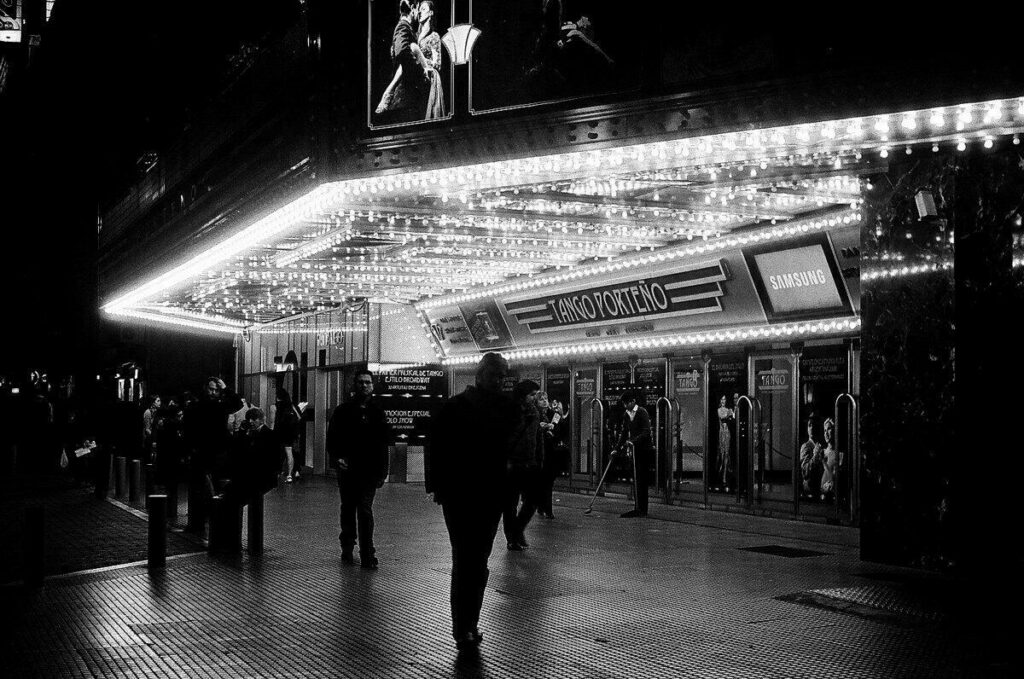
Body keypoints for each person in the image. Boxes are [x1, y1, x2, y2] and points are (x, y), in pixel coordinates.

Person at [427, 352, 515, 651]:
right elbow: (436, 446)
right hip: (463, 493)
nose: (501, 380)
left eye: (504, 375)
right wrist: (437, 486)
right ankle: (462, 626)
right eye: (496, 375)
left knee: (475, 561)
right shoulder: (457, 407)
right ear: (480, 375)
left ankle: (468, 624)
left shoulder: (505, 407)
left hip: (485, 494)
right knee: (467, 558)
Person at [326, 369, 391, 570]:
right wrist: (337, 459)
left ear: (372, 385)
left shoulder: (377, 412)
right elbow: (332, 439)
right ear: (355, 385)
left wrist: (382, 471)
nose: (364, 385)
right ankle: (349, 546)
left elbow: (383, 443)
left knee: (362, 509)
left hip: (368, 470)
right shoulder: (343, 411)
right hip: (349, 470)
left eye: (368, 382)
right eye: (361, 382)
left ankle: (365, 551)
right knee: (349, 507)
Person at [183, 377, 242, 534]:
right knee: (198, 488)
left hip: (217, 452)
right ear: (205, 388)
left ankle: (211, 519)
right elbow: (188, 429)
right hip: (201, 452)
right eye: (211, 389)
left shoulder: (221, 405)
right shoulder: (197, 405)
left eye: (216, 390)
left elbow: (238, 404)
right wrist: (190, 450)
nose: (213, 392)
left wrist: (225, 388)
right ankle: (197, 521)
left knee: (215, 486)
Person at [375, 0, 431, 124]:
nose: (418, 13)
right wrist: (421, 71)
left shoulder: (407, 28)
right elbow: (402, 52)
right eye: (418, 9)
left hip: (407, 98)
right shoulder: (403, 26)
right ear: (412, 8)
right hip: (404, 97)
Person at [502, 380, 542, 551]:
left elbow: (537, 437)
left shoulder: (534, 412)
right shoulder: (511, 411)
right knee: (510, 503)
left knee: (532, 500)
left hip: (529, 462)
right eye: (531, 394)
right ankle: (512, 538)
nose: (534, 398)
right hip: (512, 463)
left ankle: (517, 530)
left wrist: (539, 459)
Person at [616, 391, 651, 518]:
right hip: (634, 449)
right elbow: (624, 432)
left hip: (643, 449)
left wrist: (633, 441)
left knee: (642, 479)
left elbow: (646, 431)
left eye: (627, 403)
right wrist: (617, 447)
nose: (625, 406)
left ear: (633, 401)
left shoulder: (642, 412)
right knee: (636, 478)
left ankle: (642, 508)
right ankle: (638, 506)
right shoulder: (627, 414)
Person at [537, 396, 568, 519]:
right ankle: (541, 505)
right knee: (540, 481)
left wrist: (553, 431)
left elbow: (561, 429)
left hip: (550, 452)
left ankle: (547, 508)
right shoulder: (534, 414)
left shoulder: (554, 415)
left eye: (546, 399)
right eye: (541, 399)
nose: (545, 401)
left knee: (548, 481)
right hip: (538, 452)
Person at [417, 1, 445, 120]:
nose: (419, 12)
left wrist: (421, 59)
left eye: (423, 9)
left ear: (431, 13)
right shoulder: (415, 35)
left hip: (429, 80)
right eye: (419, 9)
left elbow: (437, 64)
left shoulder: (434, 36)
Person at [272, 387, 302, 482]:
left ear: (277, 397)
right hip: (290, 432)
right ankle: (289, 475)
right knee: (290, 453)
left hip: (279, 432)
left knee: (277, 453)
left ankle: (277, 472)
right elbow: (299, 417)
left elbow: (273, 422)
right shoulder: (291, 405)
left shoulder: (274, 407)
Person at [799, 417, 823, 498]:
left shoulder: (822, 445)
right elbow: (805, 472)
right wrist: (815, 456)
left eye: (814, 425)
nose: (812, 427)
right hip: (811, 491)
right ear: (807, 429)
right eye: (809, 425)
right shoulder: (806, 446)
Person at [716, 395, 733, 491]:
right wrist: (729, 414)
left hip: (727, 432)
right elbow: (722, 417)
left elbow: (733, 417)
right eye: (722, 399)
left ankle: (725, 475)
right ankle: (722, 468)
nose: (723, 401)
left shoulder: (728, 409)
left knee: (726, 453)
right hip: (721, 433)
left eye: (724, 399)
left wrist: (731, 413)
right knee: (722, 453)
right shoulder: (720, 410)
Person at [141, 394, 161, 460]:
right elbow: (147, 429)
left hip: (152, 440)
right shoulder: (148, 412)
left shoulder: (156, 412)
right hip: (148, 441)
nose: (160, 402)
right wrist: (155, 439)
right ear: (153, 402)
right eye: (158, 401)